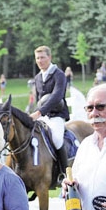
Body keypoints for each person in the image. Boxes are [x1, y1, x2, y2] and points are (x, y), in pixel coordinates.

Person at [29, 45, 69, 176]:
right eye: (37, 58)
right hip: (43, 115)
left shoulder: (59, 75)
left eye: (42, 57)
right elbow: (39, 99)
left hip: (57, 114)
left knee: (57, 139)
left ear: (49, 57)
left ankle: (63, 172)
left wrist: (39, 112)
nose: (40, 61)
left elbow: (56, 96)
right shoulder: (37, 78)